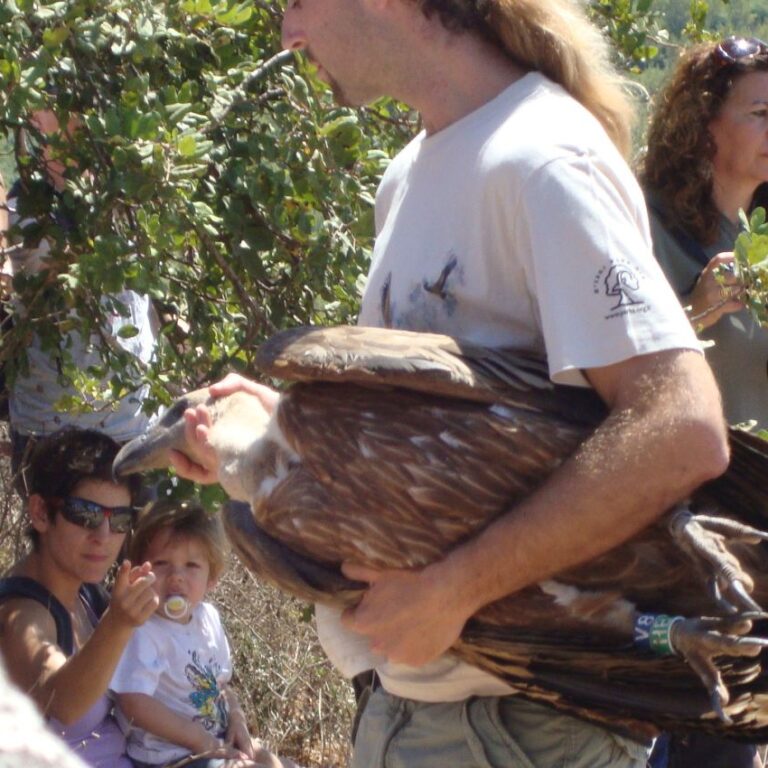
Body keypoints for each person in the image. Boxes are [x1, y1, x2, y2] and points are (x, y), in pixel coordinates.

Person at [172, 0, 730, 766]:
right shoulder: (411, 173)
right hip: (415, 715)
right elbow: (457, 427)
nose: (288, 34)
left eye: (295, 3)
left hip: (523, 728)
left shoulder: (542, 158)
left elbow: (680, 427)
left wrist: (457, 589)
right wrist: (269, 433)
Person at [639, 36, 768, 768]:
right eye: (761, 113)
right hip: (674, 542)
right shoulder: (648, 231)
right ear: (704, 123)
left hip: (756, 540)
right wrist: (693, 313)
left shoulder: (760, 242)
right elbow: (608, 372)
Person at [2, 105, 158, 492]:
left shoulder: (131, 187)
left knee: (143, 551)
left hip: (132, 427)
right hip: (46, 428)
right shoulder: (21, 201)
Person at [0, 427, 159, 768]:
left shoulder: (86, 591)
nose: (103, 535)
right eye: (84, 513)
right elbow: (63, 702)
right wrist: (118, 624)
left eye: (119, 519)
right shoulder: (22, 614)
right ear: (41, 512)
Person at [110, 499, 296, 768]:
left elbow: (220, 685)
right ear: (142, 570)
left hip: (216, 742)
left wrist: (236, 718)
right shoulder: (142, 628)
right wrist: (200, 741)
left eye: (191, 566)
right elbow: (134, 703)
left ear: (212, 577)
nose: (177, 576)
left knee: (281, 764)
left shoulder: (207, 618)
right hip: (170, 757)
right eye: (161, 563)